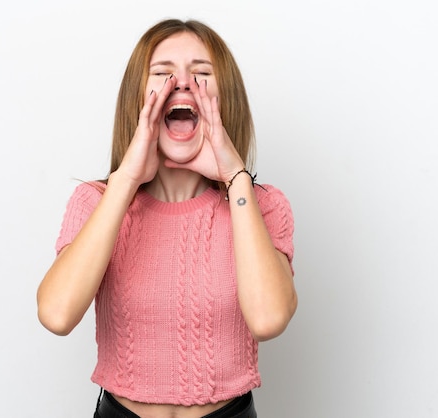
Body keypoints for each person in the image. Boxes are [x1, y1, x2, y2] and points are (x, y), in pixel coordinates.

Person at [37, 18, 298, 418]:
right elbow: (56, 315)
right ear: (139, 100)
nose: (183, 83)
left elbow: (268, 319)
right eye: (163, 73)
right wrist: (126, 179)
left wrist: (235, 177)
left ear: (224, 98)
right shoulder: (96, 202)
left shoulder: (263, 205)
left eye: (202, 73)